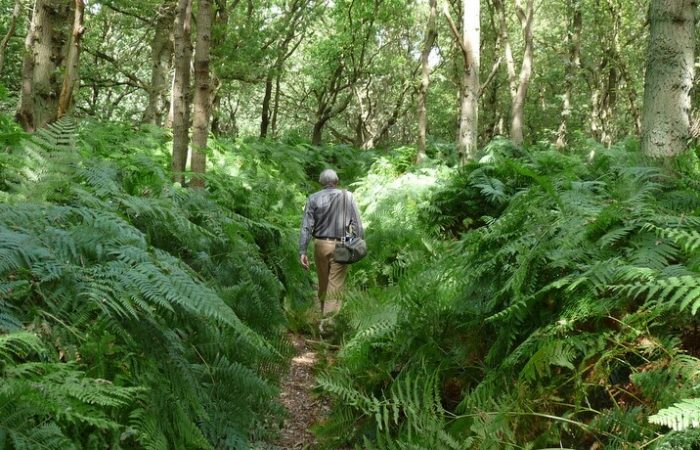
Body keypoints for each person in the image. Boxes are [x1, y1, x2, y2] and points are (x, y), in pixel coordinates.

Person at [299, 169, 364, 320]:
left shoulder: (313, 198)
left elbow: (306, 227)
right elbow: (358, 226)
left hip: (320, 245)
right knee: (335, 286)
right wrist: (356, 245)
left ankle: (323, 317)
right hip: (341, 245)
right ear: (336, 181)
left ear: (321, 182)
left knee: (323, 283)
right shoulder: (347, 197)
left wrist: (302, 251)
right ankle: (328, 326)